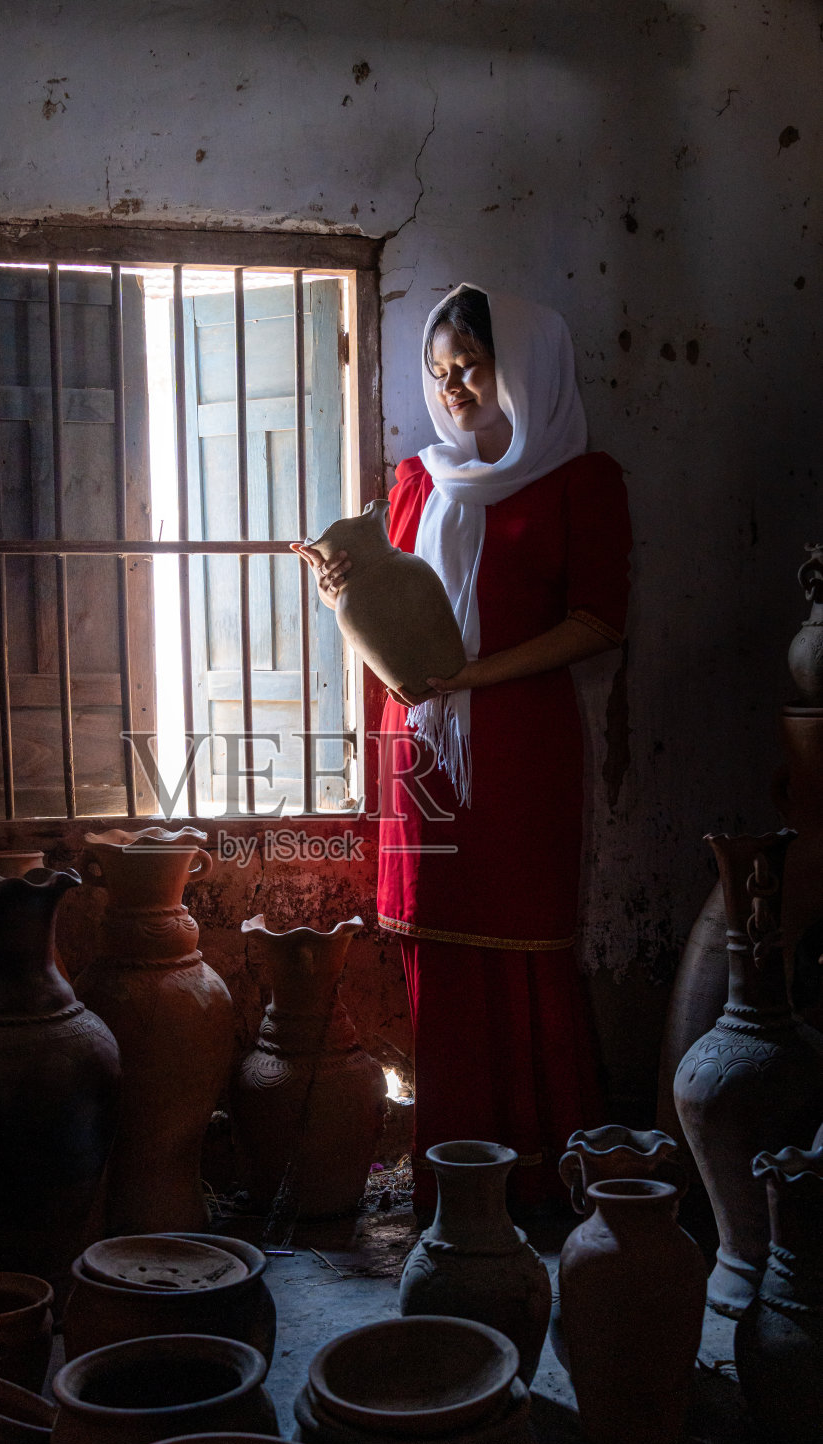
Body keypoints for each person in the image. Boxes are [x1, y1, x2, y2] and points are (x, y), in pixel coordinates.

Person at [296, 284, 631, 1213]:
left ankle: (536, 1178)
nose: (451, 390)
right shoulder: (416, 480)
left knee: (524, 945)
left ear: (518, 366)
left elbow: (600, 621)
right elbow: (389, 621)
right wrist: (340, 597)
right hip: (423, 752)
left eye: (469, 369)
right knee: (434, 955)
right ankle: (452, 1175)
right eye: (439, 373)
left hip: (519, 746)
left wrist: (478, 677)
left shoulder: (578, 480)